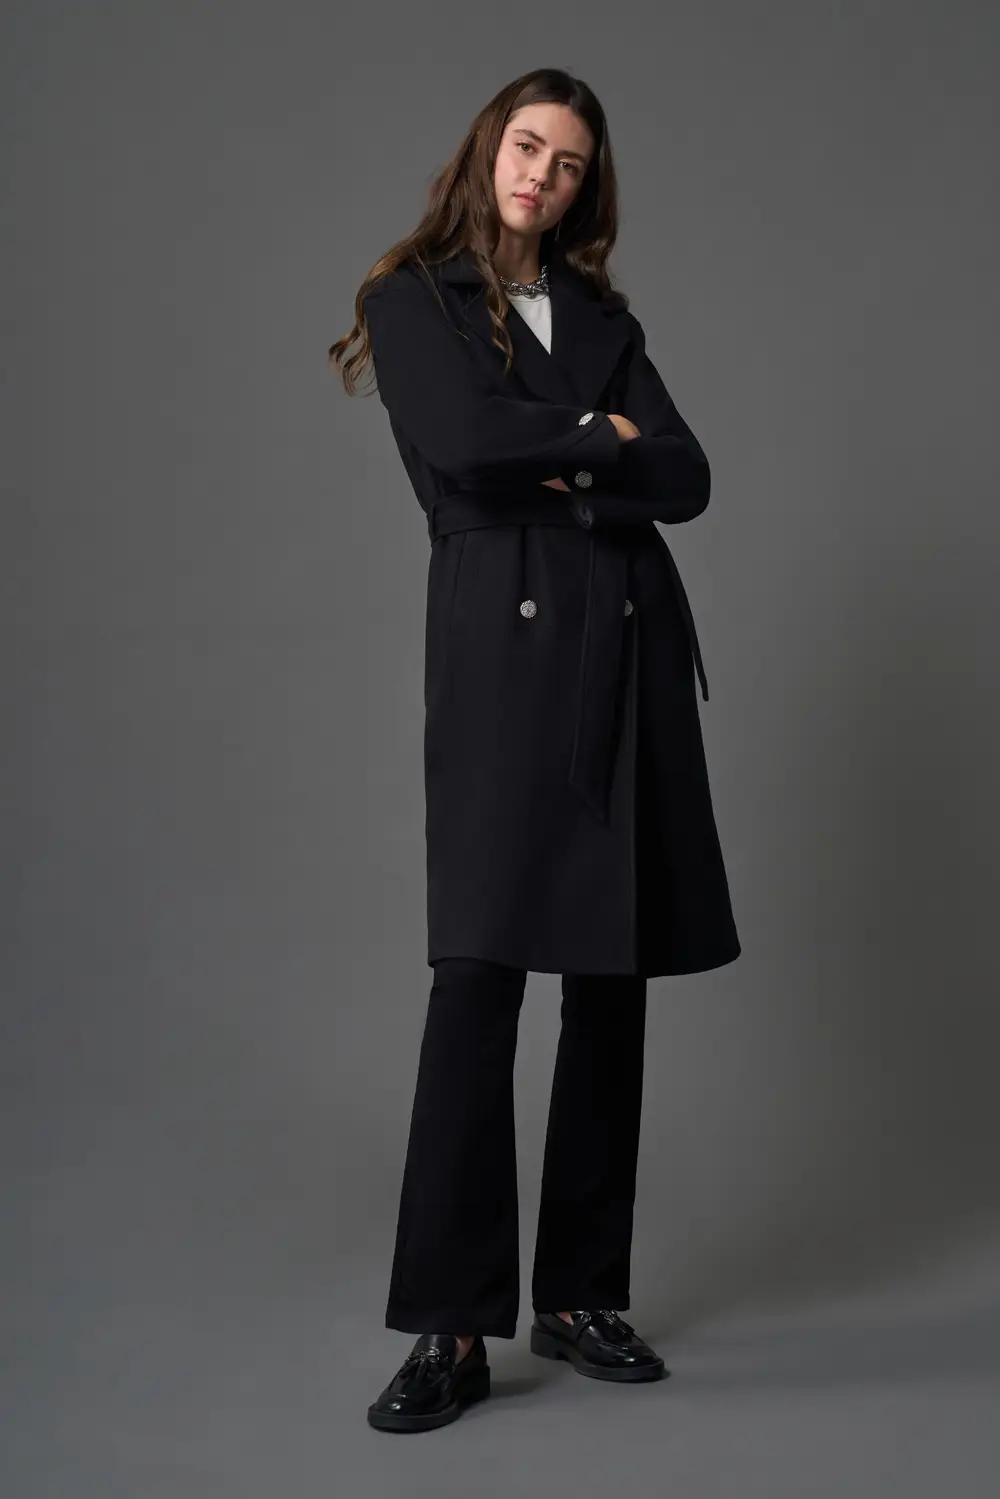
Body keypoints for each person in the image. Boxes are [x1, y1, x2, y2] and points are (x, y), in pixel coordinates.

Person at [328, 67, 741, 1433]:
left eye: (568, 164)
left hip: (622, 642)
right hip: (502, 651)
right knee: (479, 972)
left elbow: (687, 474)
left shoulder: (605, 318)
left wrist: (568, 457)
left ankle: (579, 1293)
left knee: (610, 976)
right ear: (487, 148)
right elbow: (458, 441)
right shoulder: (417, 297)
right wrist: (602, 438)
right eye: (526, 147)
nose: (541, 177)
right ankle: (449, 1325)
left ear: (585, 188)